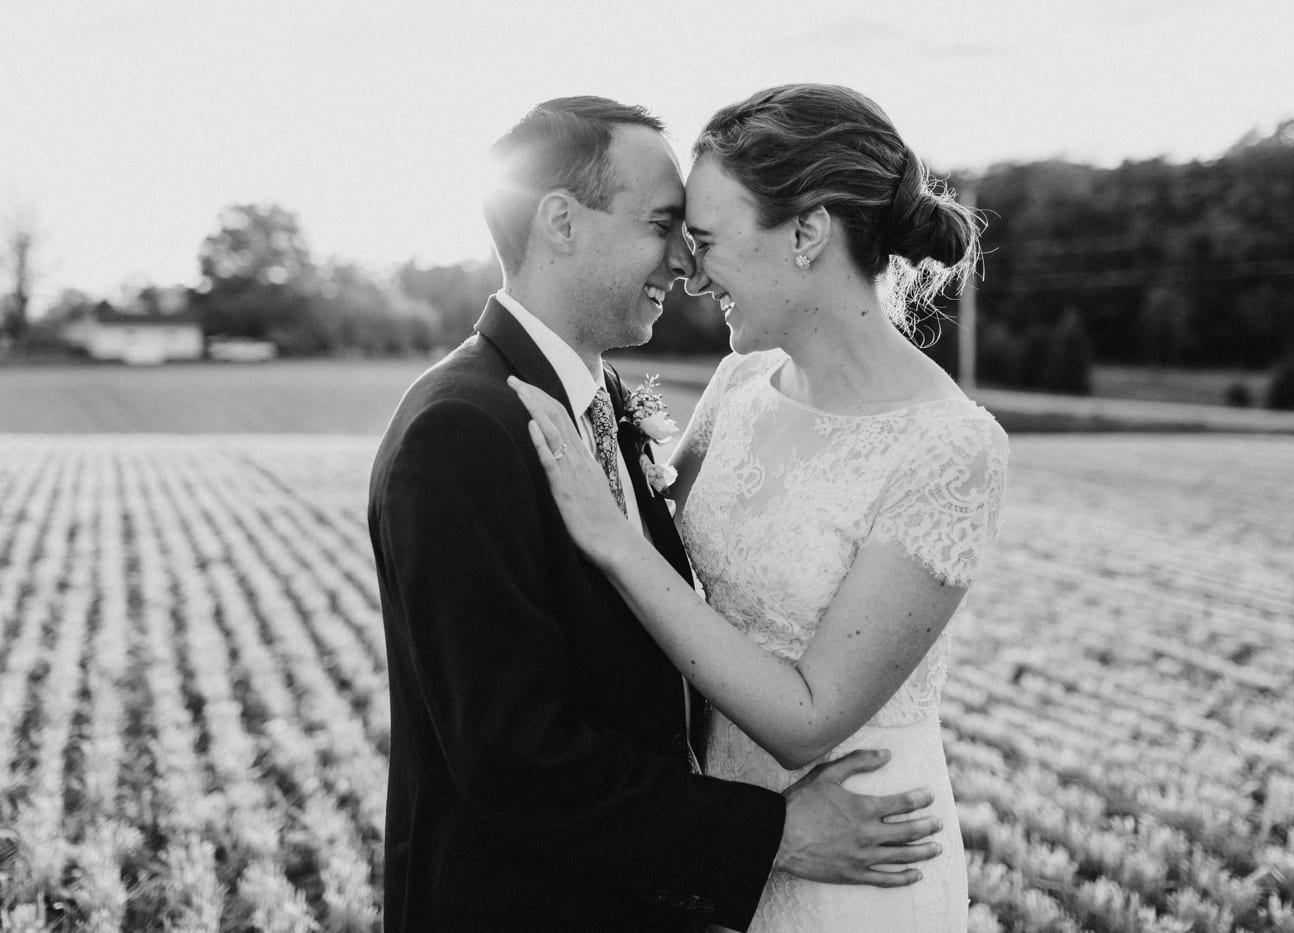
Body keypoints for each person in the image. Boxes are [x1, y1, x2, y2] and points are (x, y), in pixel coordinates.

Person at [367, 95, 943, 933]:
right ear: (561, 221)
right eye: (663, 224)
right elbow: (514, 759)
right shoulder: (461, 429)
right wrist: (771, 833)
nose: (685, 260)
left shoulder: (591, 397)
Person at [510, 84, 1009, 933]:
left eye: (705, 240)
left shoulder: (950, 447)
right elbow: (672, 569)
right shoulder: (742, 384)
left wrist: (610, 539)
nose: (690, 272)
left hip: (855, 854)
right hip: (727, 844)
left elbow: (808, 719)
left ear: (807, 233)